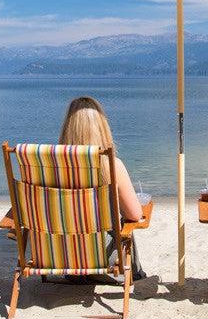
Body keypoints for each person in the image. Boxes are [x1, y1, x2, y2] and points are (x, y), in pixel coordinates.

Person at [58, 96, 146, 281]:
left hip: (63, 257)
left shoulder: (52, 167)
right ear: (101, 128)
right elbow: (134, 215)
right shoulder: (111, 166)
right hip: (104, 257)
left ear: (67, 127)